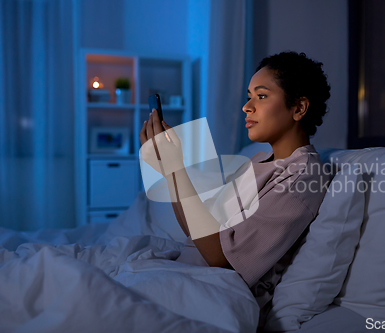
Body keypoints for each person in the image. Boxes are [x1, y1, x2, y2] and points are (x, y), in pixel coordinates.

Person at [139, 51, 332, 329]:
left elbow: (221, 259)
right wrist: (169, 172)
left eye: (261, 96)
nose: (246, 106)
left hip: (214, 291)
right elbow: (197, 233)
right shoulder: (256, 161)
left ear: (299, 108)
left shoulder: (303, 175)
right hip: (187, 273)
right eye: (249, 95)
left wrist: (176, 168)